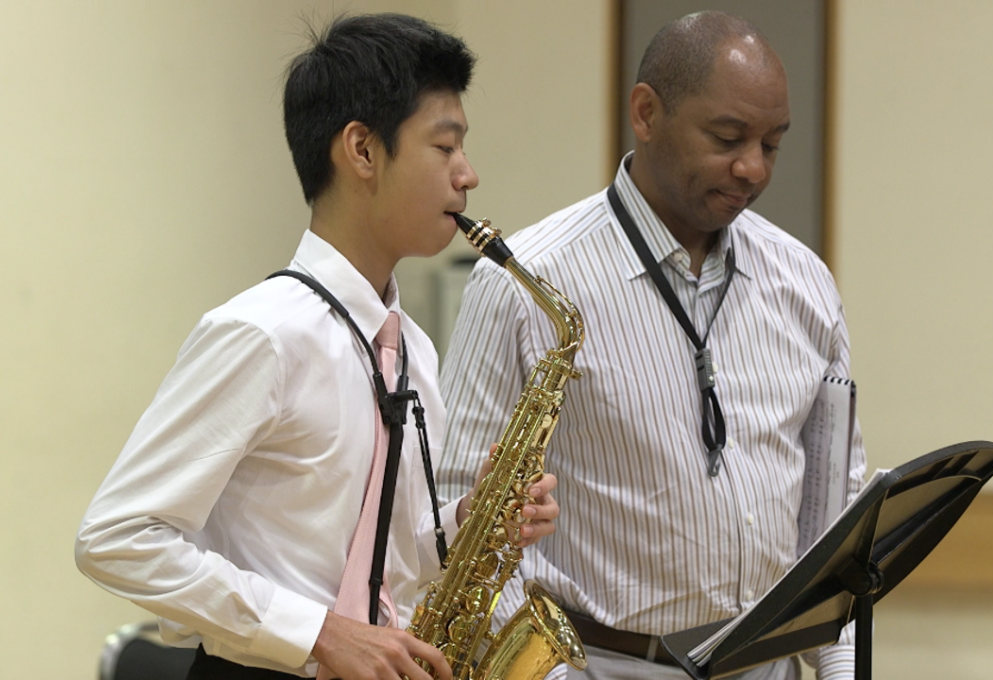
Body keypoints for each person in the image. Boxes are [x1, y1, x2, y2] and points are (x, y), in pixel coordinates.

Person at [75, 13, 561, 680]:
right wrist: (318, 635)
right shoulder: (262, 333)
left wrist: (474, 521)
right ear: (362, 150)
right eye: (445, 148)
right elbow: (117, 538)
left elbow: (377, 560)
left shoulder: (411, 347)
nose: (468, 175)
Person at [438, 10, 866, 680]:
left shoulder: (805, 282)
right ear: (646, 112)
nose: (753, 168)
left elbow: (834, 517)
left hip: (770, 663)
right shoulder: (524, 283)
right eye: (727, 137)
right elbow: (460, 512)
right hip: (598, 665)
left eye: (773, 144)